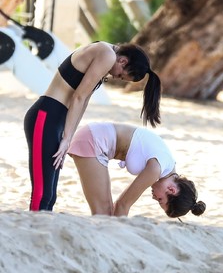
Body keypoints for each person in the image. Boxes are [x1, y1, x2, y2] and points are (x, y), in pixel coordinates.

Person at [24, 41, 161, 211]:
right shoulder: (106, 54)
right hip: (45, 116)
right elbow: (78, 97)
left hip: (56, 122)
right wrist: (66, 138)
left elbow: (84, 101)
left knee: (50, 194)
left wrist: (69, 136)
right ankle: (36, 231)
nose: (115, 77)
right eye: (120, 76)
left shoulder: (106, 54)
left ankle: (41, 231)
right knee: (42, 192)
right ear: (123, 61)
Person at [68, 122, 206, 218]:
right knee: (103, 214)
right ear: (171, 190)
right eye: (159, 199)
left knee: (106, 214)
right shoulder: (156, 168)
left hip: (96, 138)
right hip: (93, 140)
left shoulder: (167, 164)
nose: (154, 197)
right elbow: (123, 205)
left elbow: (120, 206)